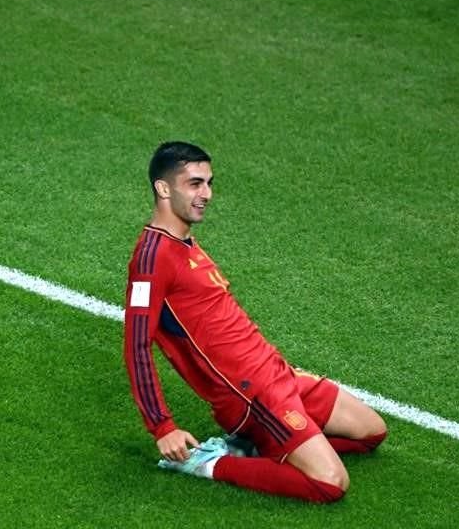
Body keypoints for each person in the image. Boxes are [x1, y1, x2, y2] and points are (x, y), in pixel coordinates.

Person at [123, 141, 387, 502]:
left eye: (209, 183)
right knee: (329, 482)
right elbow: (136, 344)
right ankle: (207, 463)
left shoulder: (184, 242)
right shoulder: (151, 260)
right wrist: (162, 427)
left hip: (278, 373)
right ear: (163, 188)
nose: (207, 194)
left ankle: (261, 446)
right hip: (250, 395)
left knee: (371, 432)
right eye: (195, 184)